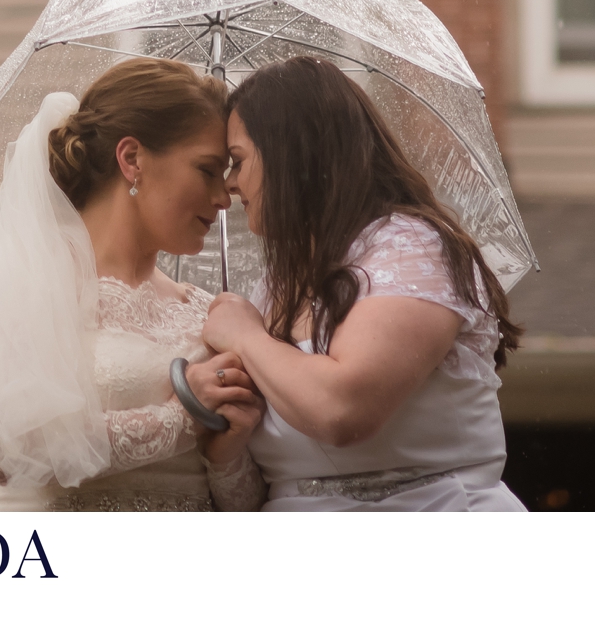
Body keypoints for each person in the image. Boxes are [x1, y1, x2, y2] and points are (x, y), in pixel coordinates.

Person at [203, 54, 527, 511]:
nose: (231, 184)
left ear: (292, 152)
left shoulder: (414, 248)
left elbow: (343, 413)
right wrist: (226, 443)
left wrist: (245, 336)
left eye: (237, 161)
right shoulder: (273, 289)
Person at [0, 57, 266, 510]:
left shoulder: (209, 314)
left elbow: (244, 507)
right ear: (132, 158)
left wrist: (227, 455)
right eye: (206, 169)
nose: (223, 198)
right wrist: (183, 418)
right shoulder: (20, 285)